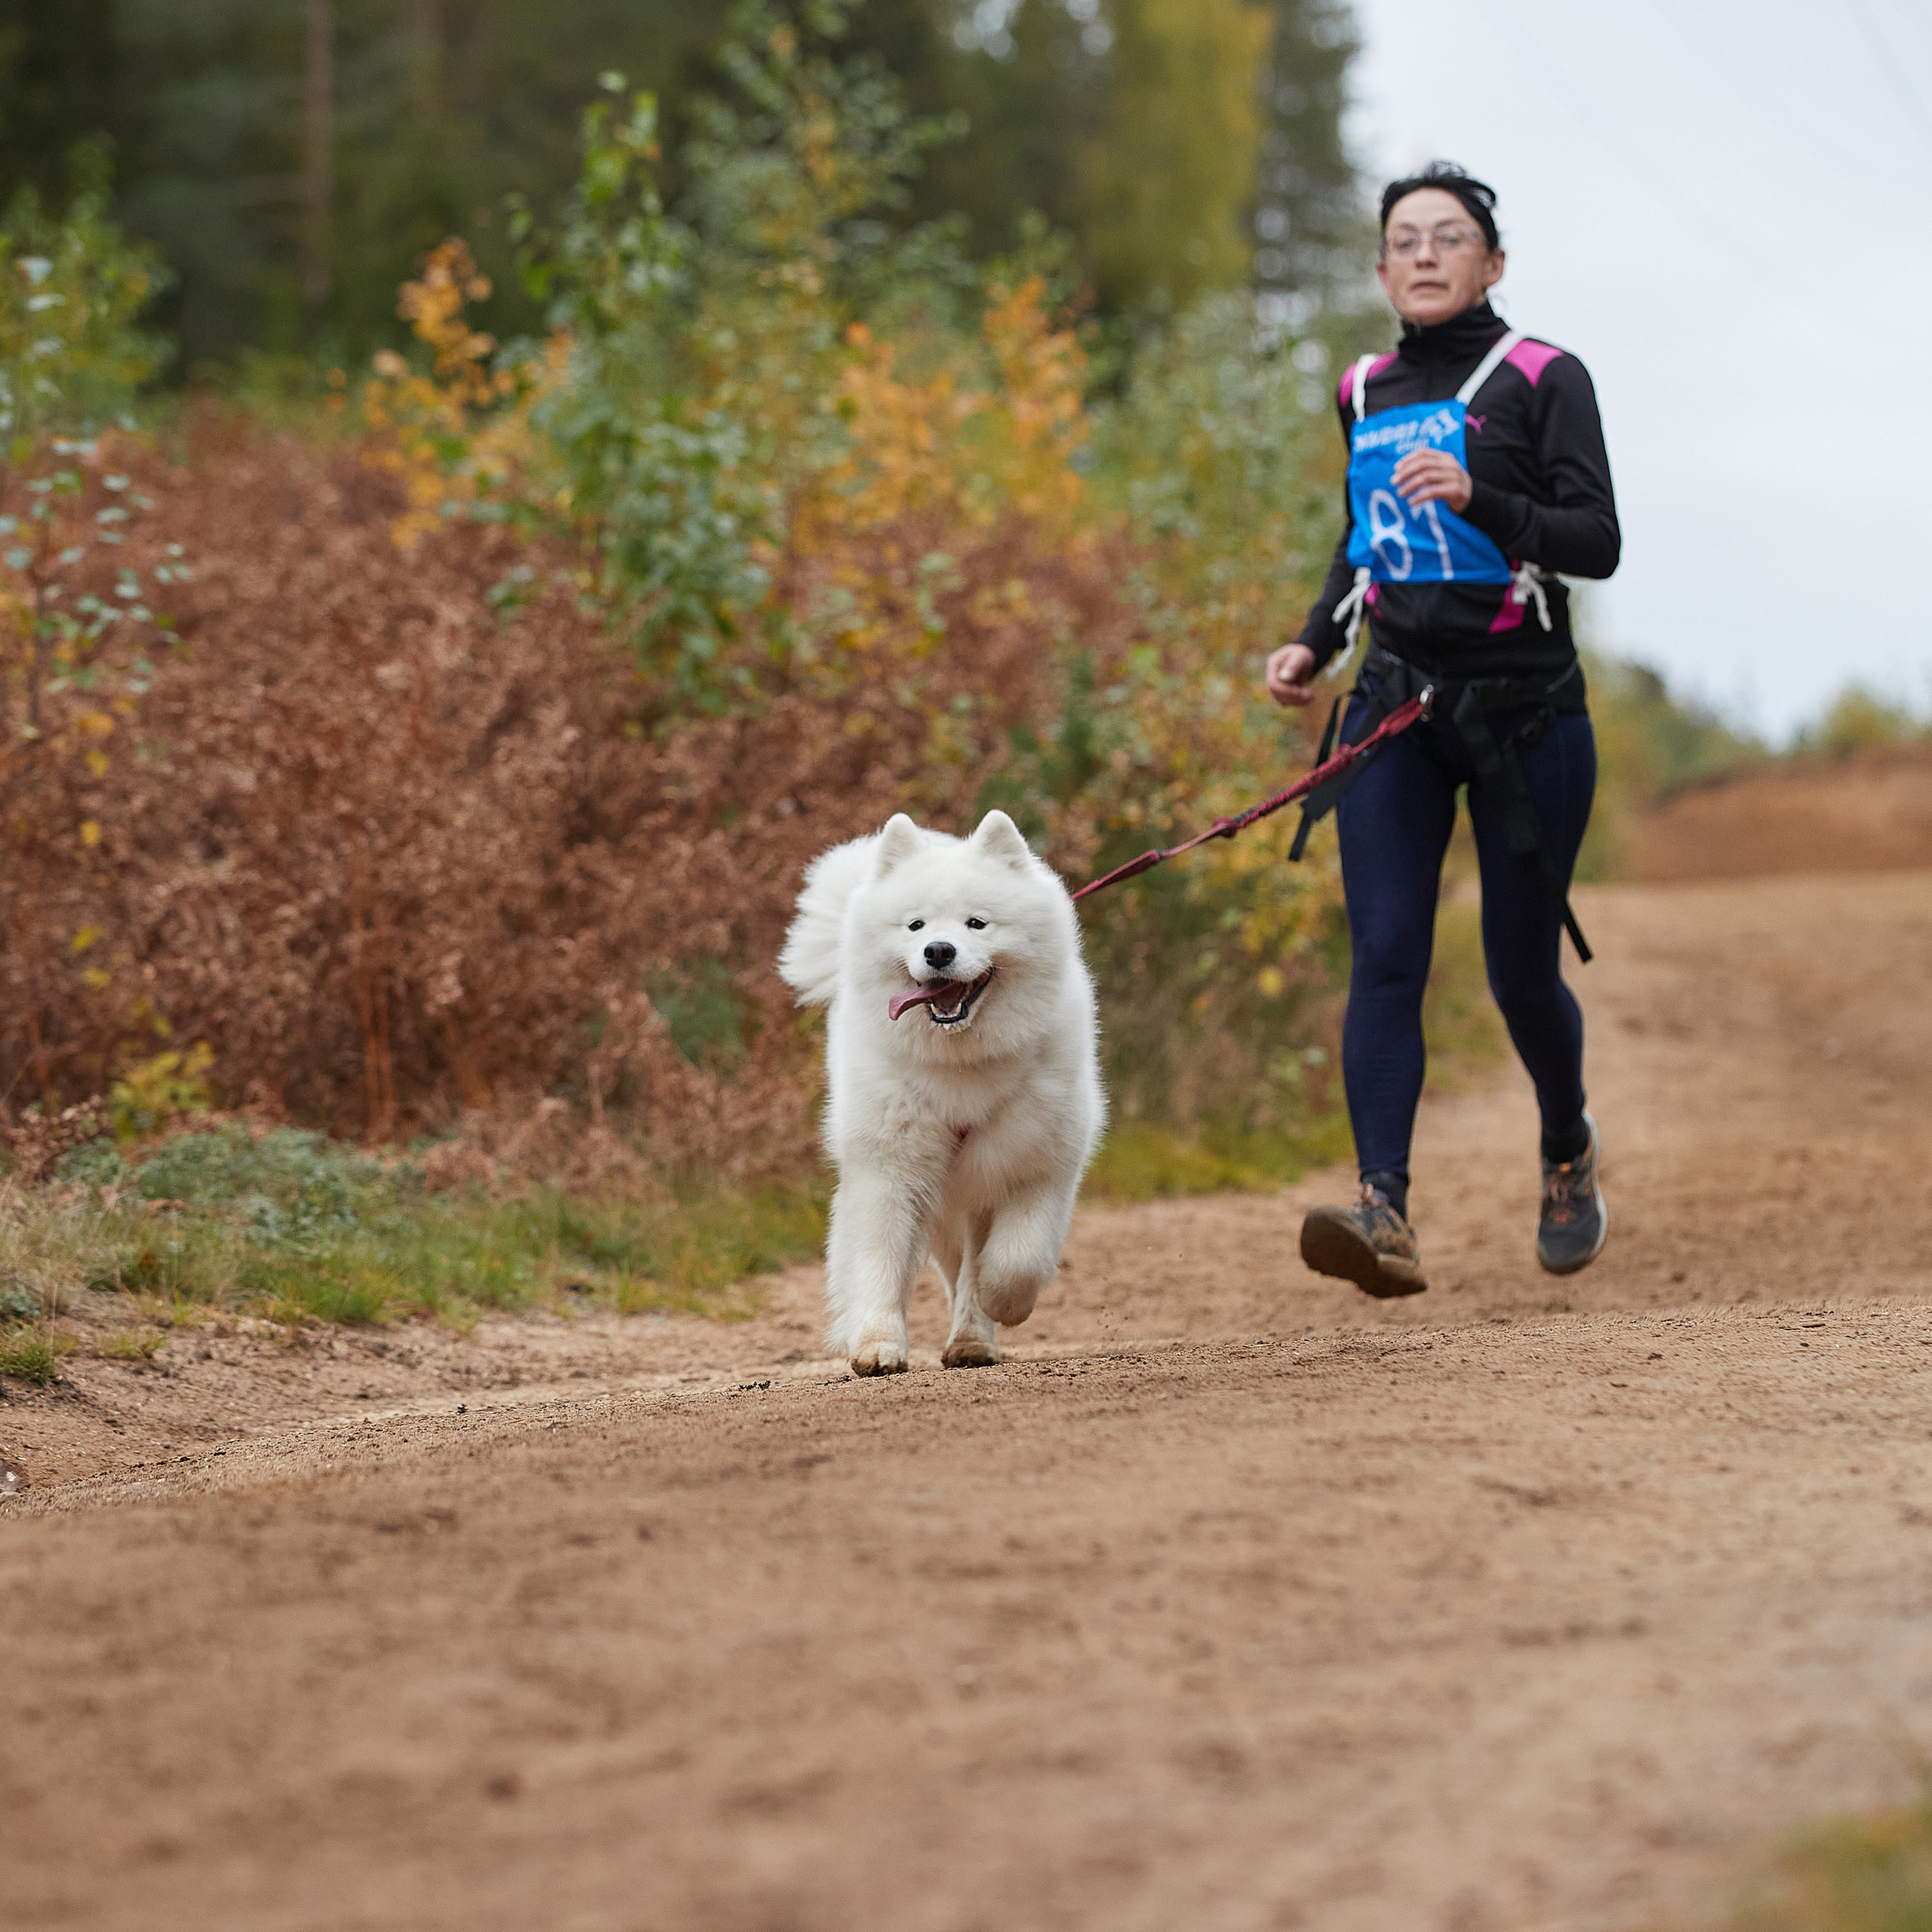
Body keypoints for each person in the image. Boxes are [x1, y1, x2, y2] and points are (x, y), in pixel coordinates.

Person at [1264, 161, 1619, 1299]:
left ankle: (1565, 1145)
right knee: (1386, 954)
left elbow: (1597, 541)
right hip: (1397, 710)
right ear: (1380, 270)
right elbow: (1360, 537)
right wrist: (1314, 642)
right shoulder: (1363, 388)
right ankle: (1384, 1209)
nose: (1424, 254)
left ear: (1493, 263)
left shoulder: (1543, 376)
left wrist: (1482, 499)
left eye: (1449, 237)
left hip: (1528, 718)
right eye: (1405, 240)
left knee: (1519, 973)